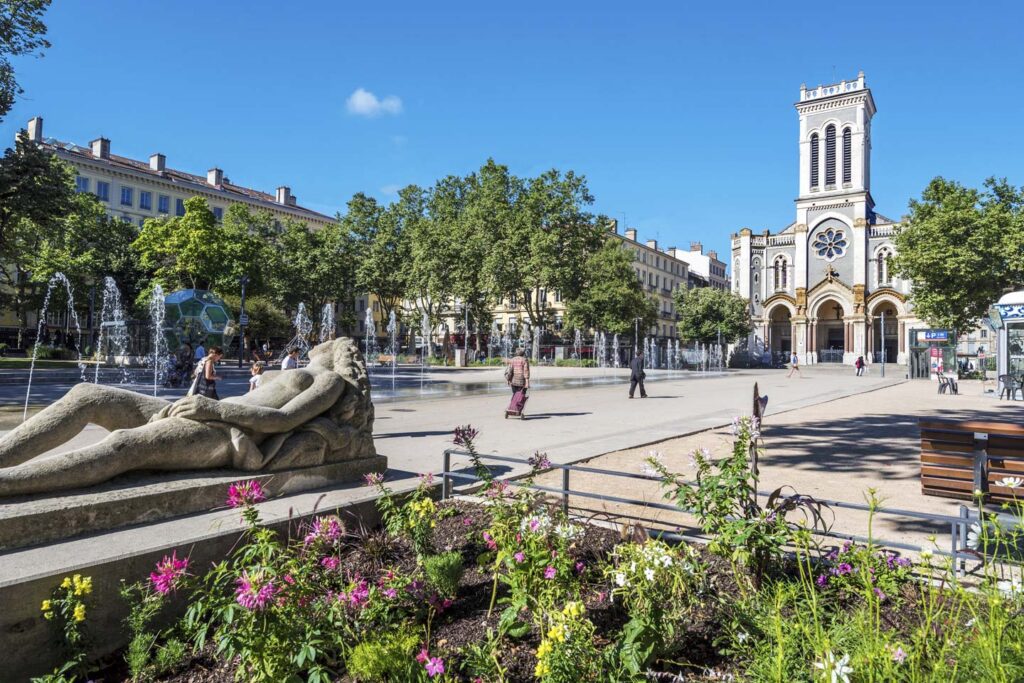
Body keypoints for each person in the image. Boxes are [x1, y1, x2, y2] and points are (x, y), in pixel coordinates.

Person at [505, 348, 530, 418]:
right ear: (523, 353)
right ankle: (518, 410)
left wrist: (508, 380)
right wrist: (527, 382)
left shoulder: (512, 360)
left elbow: (510, 371)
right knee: (521, 396)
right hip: (522, 382)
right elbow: (526, 371)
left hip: (514, 381)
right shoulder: (524, 360)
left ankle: (511, 408)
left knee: (514, 395)